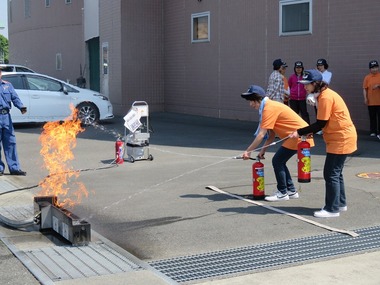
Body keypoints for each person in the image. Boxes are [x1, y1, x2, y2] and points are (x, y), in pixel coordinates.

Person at [289, 69, 357, 218]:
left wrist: (299, 132)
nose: (305, 87)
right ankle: (340, 203)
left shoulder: (326, 97)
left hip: (341, 138)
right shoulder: (323, 95)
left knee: (330, 173)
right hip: (339, 137)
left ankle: (332, 209)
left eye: (307, 84)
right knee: (336, 173)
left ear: (315, 84)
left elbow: (320, 124)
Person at [241, 84, 314, 202]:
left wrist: (248, 151)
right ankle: (291, 190)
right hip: (299, 137)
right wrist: (262, 151)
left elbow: (261, 135)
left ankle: (282, 192)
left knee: (277, 161)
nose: (251, 105)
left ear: (258, 98)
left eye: (251, 101)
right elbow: (271, 135)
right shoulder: (269, 106)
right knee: (280, 161)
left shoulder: (268, 108)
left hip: (299, 137)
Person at [0, 69, 27, 176]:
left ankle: (14, 168)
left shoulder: (8, 85)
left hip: (6, 116)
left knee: (11, 142)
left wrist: (21, 107)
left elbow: (15, 97)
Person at [363, 60, 380, 139]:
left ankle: (379, 132)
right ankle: (373, 131)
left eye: (376, 67)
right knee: (372, 117)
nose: (374, 69)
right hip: (371, 101)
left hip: (379, 101)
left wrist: (378, 86)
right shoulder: (367, 77)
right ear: (370, 69)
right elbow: (364, 88)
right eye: (372, 68)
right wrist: (365, 98)